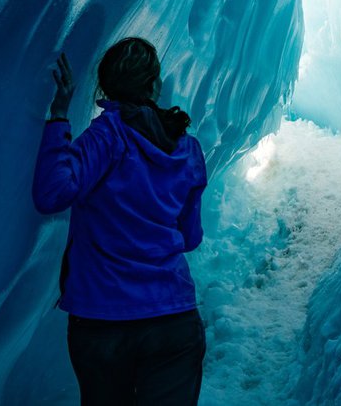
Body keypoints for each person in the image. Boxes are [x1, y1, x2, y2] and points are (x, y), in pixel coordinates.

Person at [32, 38, 209, 406]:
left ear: (105, 85)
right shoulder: (187, 149)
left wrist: (59, 115)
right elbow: (189, 237)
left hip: (102, 322)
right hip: (172, 318)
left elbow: (52, 194)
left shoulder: (106, 137)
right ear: (154, 85)